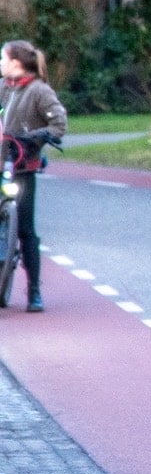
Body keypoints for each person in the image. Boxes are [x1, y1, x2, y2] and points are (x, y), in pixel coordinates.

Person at [1, 40, 65, 311]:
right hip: (1, 161)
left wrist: (40, 136)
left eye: (3, 59)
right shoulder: (3, 88)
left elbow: (58, 122)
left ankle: (34, 291)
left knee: (26, 229)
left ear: (16, 63)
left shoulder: (39, 91)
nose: (0, 64)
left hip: (23, 165)